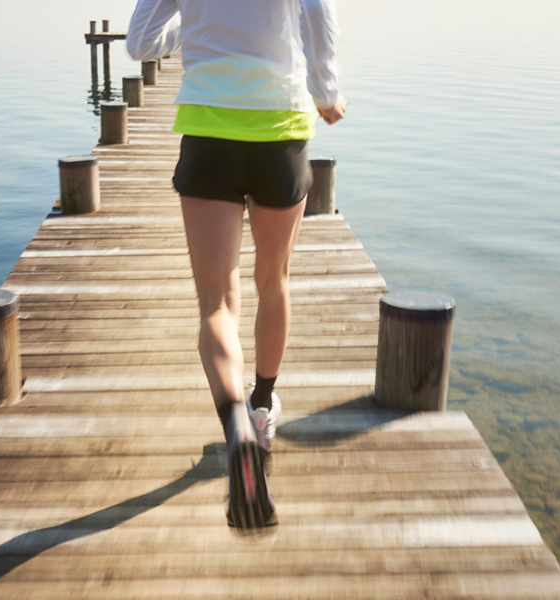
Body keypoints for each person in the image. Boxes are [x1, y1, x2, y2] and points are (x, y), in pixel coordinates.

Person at [126, 0, 346, 528]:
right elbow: (317, 11)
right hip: (280, 126)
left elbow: (139, 43)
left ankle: (235, 427)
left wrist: (198, 24)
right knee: (274, 280)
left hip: (209, 130)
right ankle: (262, 408)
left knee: (217, 303)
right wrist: (326, 89)